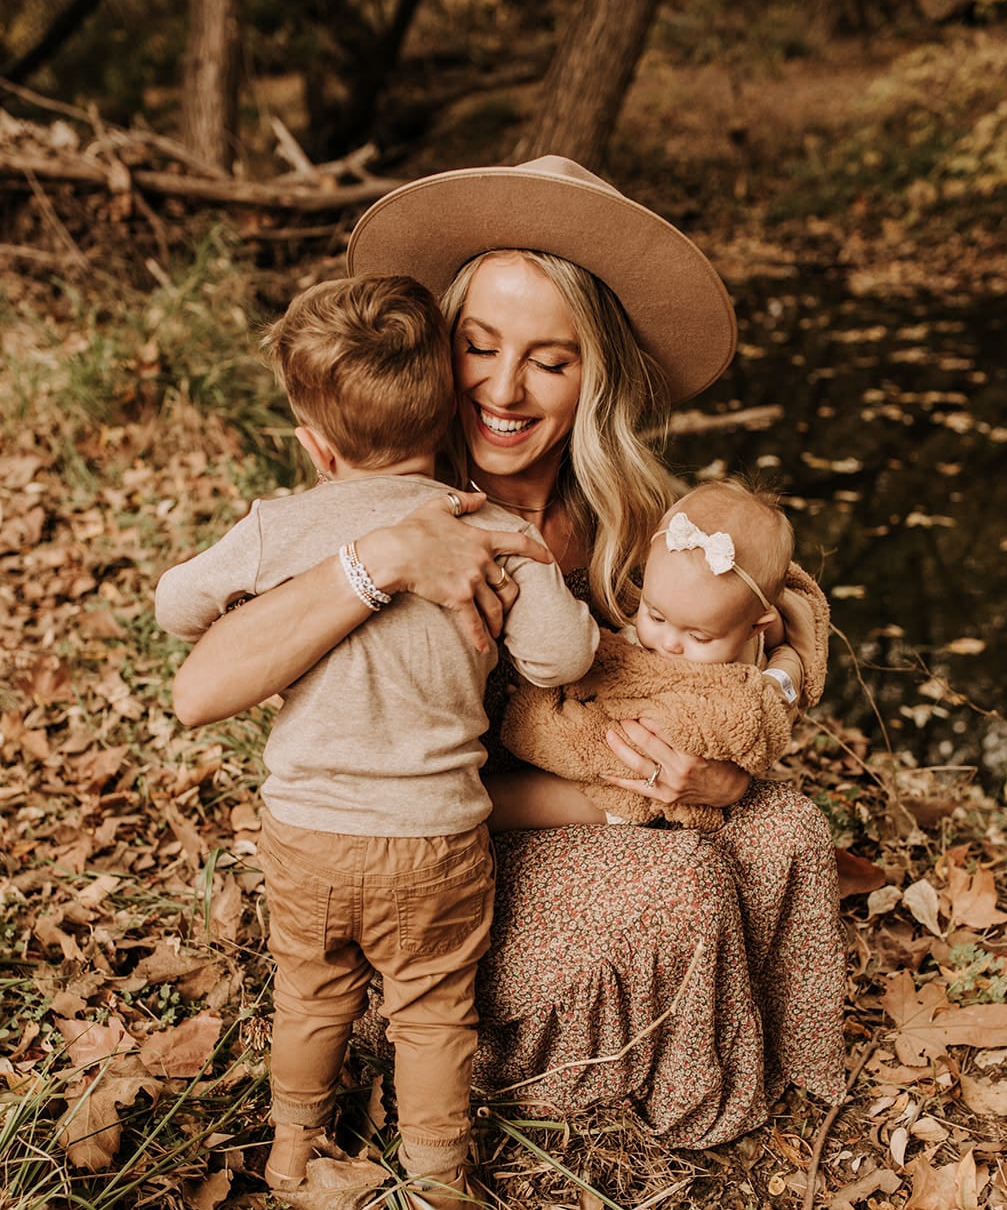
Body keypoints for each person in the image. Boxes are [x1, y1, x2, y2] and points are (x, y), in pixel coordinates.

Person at [169, 156, 847, 1153]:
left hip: (557, 822)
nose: (502, 388)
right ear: (436, 353)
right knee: (682, 879)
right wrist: (382, 560)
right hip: (419, 882)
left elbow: (788, 598)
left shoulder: (622, 515)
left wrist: (747, 733)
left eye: (550, 359)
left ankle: (784, 1077)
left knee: (785, 821)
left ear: (595, 373)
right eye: (478, 347)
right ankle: (564, 1081)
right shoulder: (385, 487)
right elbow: (203, 685)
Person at [155, 273, 599, 1210]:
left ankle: (287, 1148)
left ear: (315, 444)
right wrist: (538, 569)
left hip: (307, 834)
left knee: (310, 992)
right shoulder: (485, 530)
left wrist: (260, 576)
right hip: (436, 835)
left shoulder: (280, 527)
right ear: (449, 410)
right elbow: (560, 660)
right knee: (433, 1013)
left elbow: (176, 605)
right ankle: (439, 1196)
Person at [493, 475, 830, 833]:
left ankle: (488, 807)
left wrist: (786, 671)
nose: (669, 643)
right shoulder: (710, 610)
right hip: (625, 751)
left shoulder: (741, 685)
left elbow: (773, 692)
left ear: (755, 626)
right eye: (655, 615)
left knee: (562, 798)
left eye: (699, 636)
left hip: (635, 787)